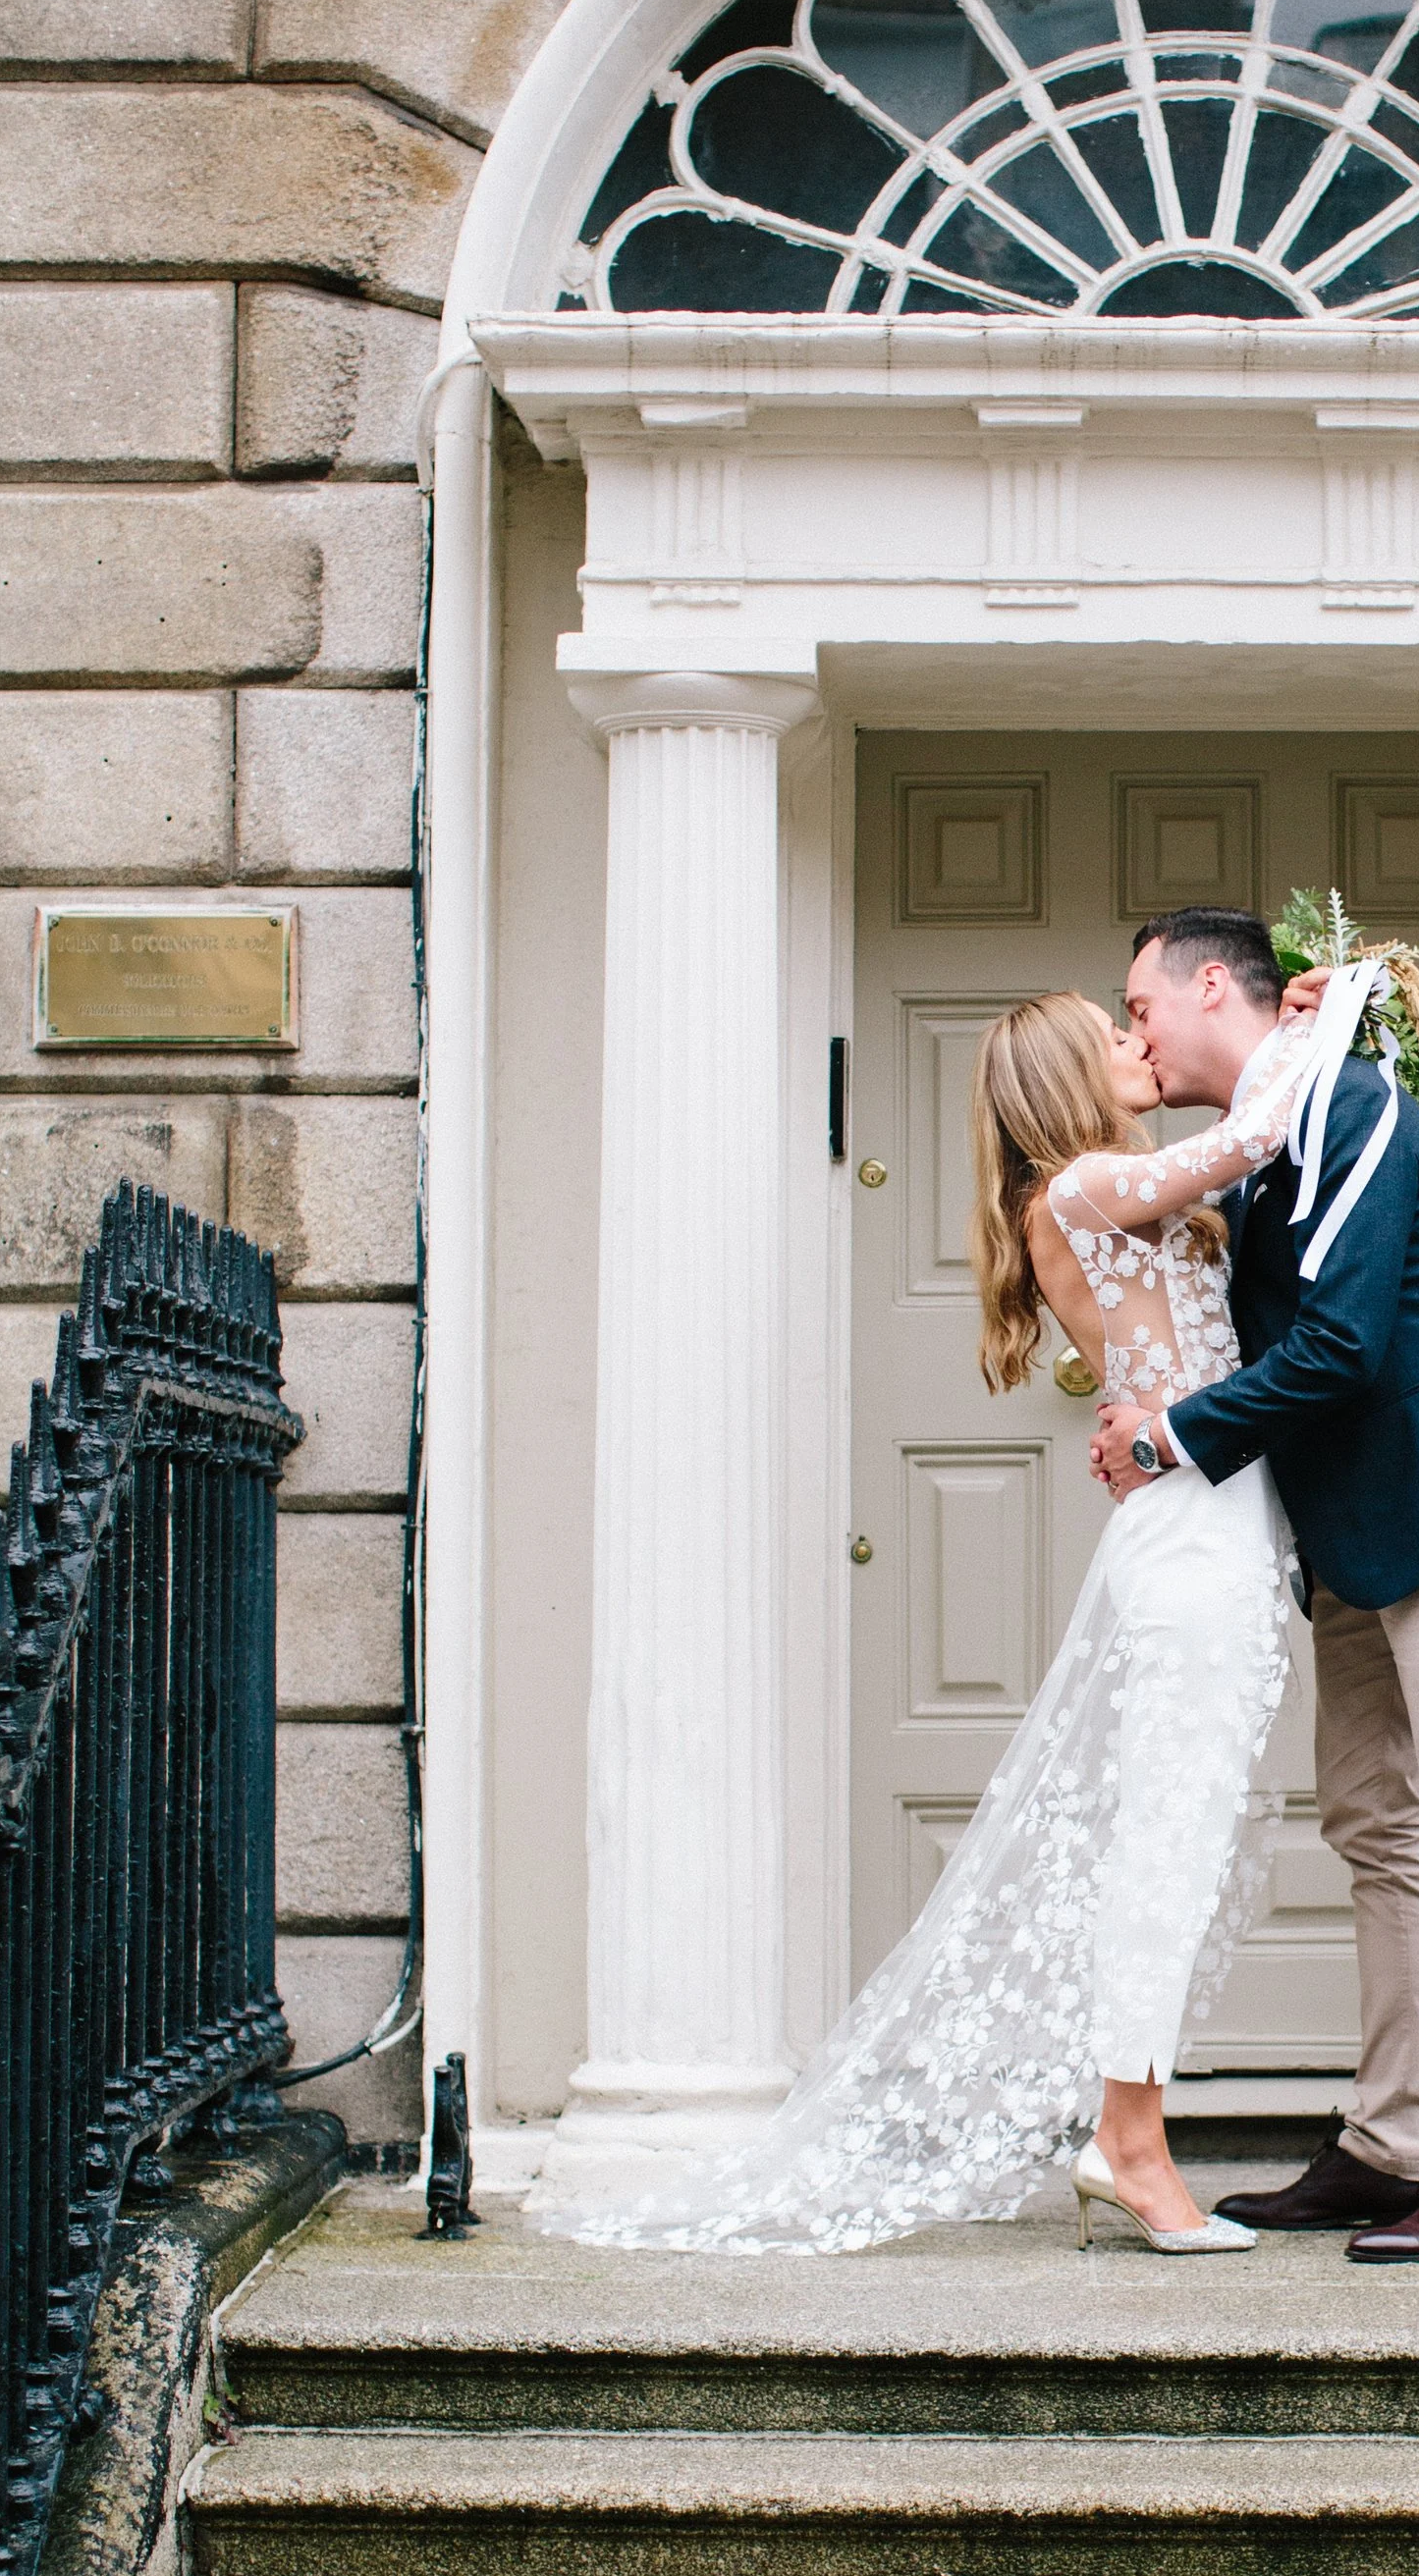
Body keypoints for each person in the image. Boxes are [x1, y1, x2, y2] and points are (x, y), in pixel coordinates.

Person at [530, 968, 1328, 2259]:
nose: (1140, 1042)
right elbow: (1250, 1139)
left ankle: (1126, 2130)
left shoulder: (1113, 1190)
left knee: (1174, 1844)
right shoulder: (1073, 1188)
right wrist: (1319, 1029)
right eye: (1112, 1035)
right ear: (1067, 1079)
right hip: (1190, 1547)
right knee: (1162, 1850)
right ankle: (1131, 2141)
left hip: (1213, 1526)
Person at [1099, 904, 1419, 2263]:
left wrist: (1169, 1438)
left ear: (1210, 984)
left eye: (1140, 1003)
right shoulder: (1268, 1132)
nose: (1133, 1029)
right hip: (1350, 1532)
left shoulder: (1357, 1107)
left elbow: (1346, 1343)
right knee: (1376, 1825)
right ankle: (1389, 2142)